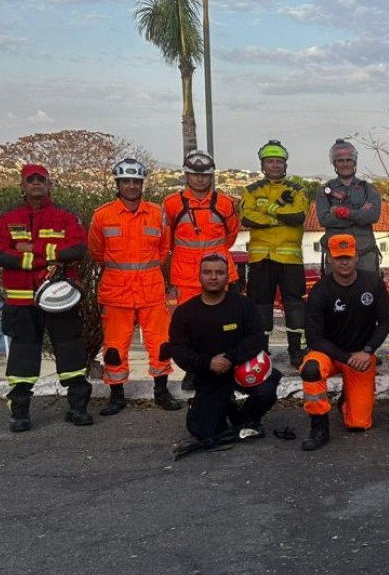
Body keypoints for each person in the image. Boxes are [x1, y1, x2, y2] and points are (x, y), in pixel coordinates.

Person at [0, 164, 93, 431]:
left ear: (49, 184)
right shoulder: (7, 218)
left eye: (41, 180)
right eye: (30, 180)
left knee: (70, 350)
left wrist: (30, 249)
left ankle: (78, 407)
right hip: (21, 300)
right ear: (22, 186)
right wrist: (42, 257)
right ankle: (20, 412)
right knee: (23, 356)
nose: (36, 184)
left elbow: (78, 248)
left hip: (59, 296)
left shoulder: (65, 217)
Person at [88, 158, 182, 415]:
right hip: (116, 292)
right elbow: (97, 251)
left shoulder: (156, 213)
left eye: (135, 181)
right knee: (115, 347)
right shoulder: (102, 215)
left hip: (151, 290)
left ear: (142, 184)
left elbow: (164, 249)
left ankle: (161, 392)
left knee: (161, 344)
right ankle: (116, 395)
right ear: (117, 183)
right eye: (126, 181)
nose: (131, 186)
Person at [166, 254, 282, 452]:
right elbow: (179, 350)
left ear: (227, 276)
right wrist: (208, 362)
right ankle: (218, 407)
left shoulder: (243, 305)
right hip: (209, 375)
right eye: (208, 272)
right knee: (203, 432)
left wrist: (230, 358)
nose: (213, 277)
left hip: (243, 371)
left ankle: (245, 420)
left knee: (266, 390)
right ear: (199, 276)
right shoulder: (185, 312)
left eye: (219, 272)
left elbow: (256, 338)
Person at [298, 235, 389, 450]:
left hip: (361, 356)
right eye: (338, 257)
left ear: (356, 257)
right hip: (330, 355)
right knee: (311, 369)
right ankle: (319, 427)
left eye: (348, 257)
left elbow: (386, 321)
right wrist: (346, 358)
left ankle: (346, 400)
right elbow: (314, 337)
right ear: (329, 258)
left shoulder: (373, 282)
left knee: (359, 424)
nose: (344, 262)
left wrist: (368, 351)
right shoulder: (320, 290)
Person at [239, 139, 310, 368]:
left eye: (279, 161)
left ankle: (295, 350)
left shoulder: (298, 190)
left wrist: (266, 213)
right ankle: (261, 349)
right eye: (270, 161)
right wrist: (279, 214)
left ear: (285, 164)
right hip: (261, 259)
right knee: (260, 307)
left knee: (295, 306)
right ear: (263, 164)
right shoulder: (250, 190)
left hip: (290, 259)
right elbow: (246, 218)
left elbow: (298, 216)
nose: (275, 165)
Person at [163, 149, 240, 307]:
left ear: (211, 177)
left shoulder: (225, 203)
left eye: (204, 175)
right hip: (185, 278)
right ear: (187, 176)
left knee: (220, 322)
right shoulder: (171, 204)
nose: (199, 179)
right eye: (195, 174)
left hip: (218, 274)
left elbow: (231, 235)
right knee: (188, 322)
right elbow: (166, 238)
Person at [316, 139, 382, 273]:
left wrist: (344, 213)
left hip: (364, 253)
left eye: (348, 160)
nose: (345, 164)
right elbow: (324, 219)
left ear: (354, 162)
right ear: (334, 163)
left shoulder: (368, 189)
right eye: (340, 161)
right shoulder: (325, 190)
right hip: (335, 256)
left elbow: (373, 216)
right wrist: (359, 215)